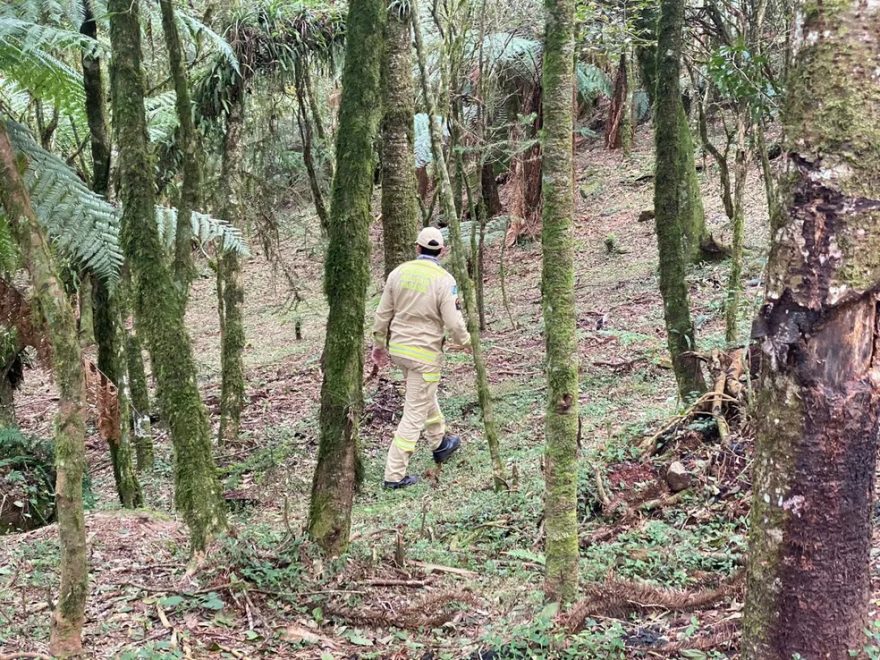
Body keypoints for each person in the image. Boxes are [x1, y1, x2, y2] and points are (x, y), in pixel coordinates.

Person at [371, 226, 471, 489]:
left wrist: (379, 344)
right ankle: (394, 475)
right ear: (442, 250)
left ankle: (440, 444)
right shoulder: (444, 280)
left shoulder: (398, 273)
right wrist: (466, 341)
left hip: (400, 351)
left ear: (417, 248)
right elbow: (453, 320)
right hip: (425, 354)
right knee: (414, 412)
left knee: (424, 394)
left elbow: (382, 313)